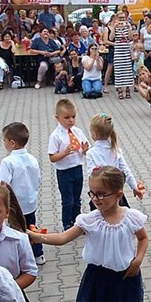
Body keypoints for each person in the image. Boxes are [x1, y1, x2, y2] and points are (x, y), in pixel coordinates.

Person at [27, 167, 151, 302]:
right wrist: (37, 238)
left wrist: (138, 260)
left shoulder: (131, 218)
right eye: (92, 193)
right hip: (99, 277)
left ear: (118, 195)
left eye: (101, 193)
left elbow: (143, 238)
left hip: (127, 275)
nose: (96, 198)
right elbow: (64, 238)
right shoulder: (90, 220)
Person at [0, 122, 44, 265]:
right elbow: (38, 179)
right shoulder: (32, 158)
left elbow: (3, 185)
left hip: (15, 203)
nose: (4, 143)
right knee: (32, 225)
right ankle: (38, 254)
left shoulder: (7, 162)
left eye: (4, 140)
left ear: (12, 143)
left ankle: (19, 257)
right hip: (30, 201)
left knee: (16, 230)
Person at [85, 113, 146, 206]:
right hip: (115, 194)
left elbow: (91, 175)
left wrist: (93, 192)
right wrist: (134, 187)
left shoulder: (91, 153)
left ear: (94, 134)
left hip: (100, 195)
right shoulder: (116, 150)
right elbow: (126, 171)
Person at [48, 99, 90, 230]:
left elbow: (85, 149)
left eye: (73, 117)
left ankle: (77, 222)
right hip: (64, 172)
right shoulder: (56, 136)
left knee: (77, 199)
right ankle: (67, 224)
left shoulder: (78, 132)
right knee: (68, 200)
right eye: (66, 117)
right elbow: (52, 157)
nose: (71, 120)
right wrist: (64, 153)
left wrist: (85, 150)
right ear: (57, 118)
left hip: (78, 169)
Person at [110, 12, 134, 99]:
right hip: (118, 51)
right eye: (120, 18)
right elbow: (111, 38)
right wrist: (114, 28)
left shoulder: (127, 26)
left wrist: (129, 28)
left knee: (127, 70)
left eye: (123, 18)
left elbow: (131, 38)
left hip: (126, 51)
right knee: (119, 70)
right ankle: (120, 90)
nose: (122, 20)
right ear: (117, 18)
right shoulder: (115, 27)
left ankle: (128, 89)